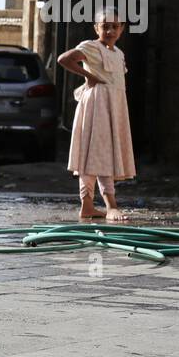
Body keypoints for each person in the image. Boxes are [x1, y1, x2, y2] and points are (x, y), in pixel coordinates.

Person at [57, 11, 136, 221]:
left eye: (115, 26)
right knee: (94, 152)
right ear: (96, 28)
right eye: (105, 26)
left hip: (114, 107)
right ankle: (95, 204)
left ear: (121, 29)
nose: (110, 31)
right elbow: (64, 59)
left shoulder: (118, 53)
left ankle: (101, 205)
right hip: (97, 105)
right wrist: (89, 76)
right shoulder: (91, 47)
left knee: (107, 152)